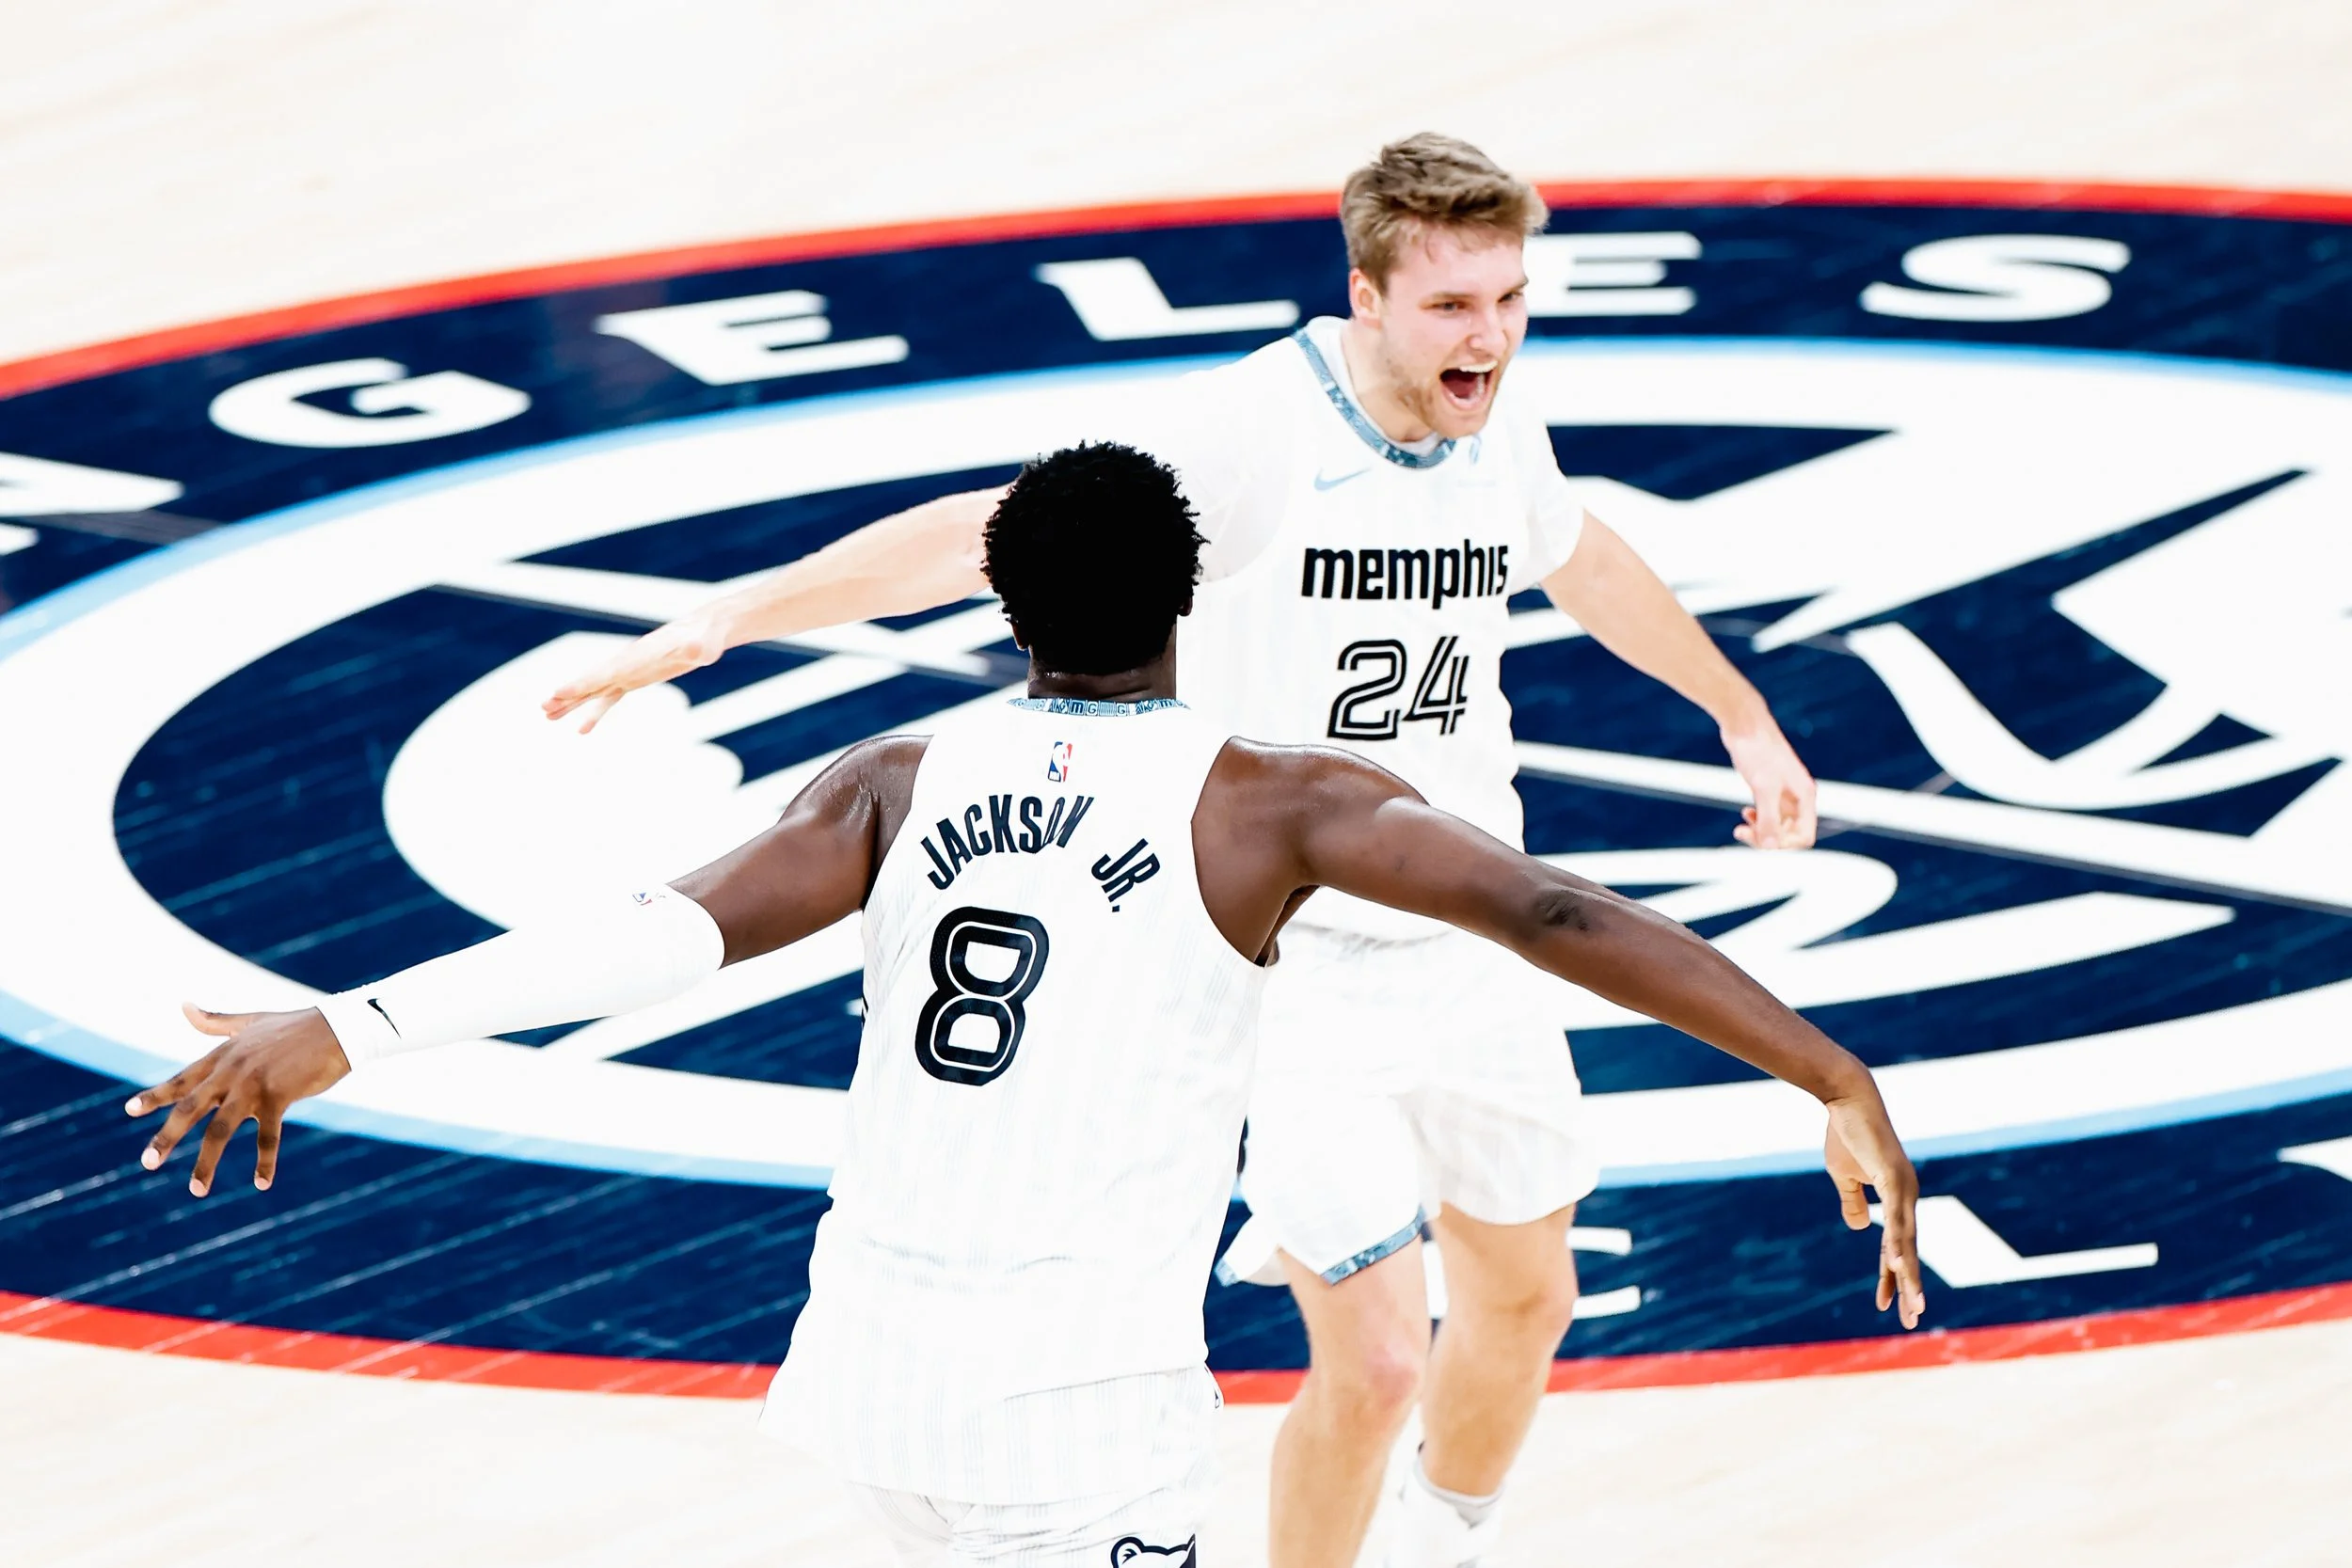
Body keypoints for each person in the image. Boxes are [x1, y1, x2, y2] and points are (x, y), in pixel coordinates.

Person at [129, 444, 1917, 1568]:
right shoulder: (1269, 801)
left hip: (863, 1385)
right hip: (1073, 1419)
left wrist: (341, 1022)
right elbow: (1549, 904)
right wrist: (1824, 1063)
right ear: (1198, 597)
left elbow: (651, 932)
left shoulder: (889, 777)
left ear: (999, 597)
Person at [547, 134, 1817, 1568]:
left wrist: (1741, 710)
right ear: (1366, 295)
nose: (1492, 338)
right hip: (1289, 965)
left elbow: (1580, 553)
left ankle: (1443, 1542)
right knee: (1384, 1360)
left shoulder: (1495, 427)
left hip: (1465, 947)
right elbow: (998, 529)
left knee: (1529, 1302)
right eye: (1455, 307)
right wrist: (731, 616)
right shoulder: (1260, 432)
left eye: (1512, 301)